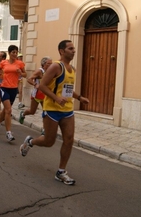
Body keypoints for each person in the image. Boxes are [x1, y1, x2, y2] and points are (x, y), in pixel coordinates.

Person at [19, 40, 89, 185]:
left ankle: (61, 171)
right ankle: (30, 142)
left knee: (69, 139)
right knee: (48, 141)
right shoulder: (56, 67)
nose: (74, 51)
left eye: (74, 48)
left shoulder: (72, 69)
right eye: (70, 48)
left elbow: (67, 88)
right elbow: (42, 86)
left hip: (67, 110)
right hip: (52, 109)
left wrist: (79, 98)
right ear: (62, 51)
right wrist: (56, 98)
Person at [0, 45, 26, 141]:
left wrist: (20, 73)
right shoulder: (4, 63)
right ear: (9, 53)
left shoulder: (20, 63)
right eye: (13, 52)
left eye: (16, 52)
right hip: (4, 88)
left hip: (13, 89)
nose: (15, 54)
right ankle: (8, 133)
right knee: (9, 110)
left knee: (6, 110)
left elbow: (25, 74)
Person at [19, 56, 52, 126]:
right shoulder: (39, 71)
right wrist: (35, 84)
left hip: (45, 94)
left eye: (51, 64)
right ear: (44, 64)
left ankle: (45, 129)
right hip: (37, 94)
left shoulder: (50, 72)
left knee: (46, 112)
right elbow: (29, 79)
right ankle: (23, 113)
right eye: (49, 64)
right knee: (32, 111)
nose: (50, 65)